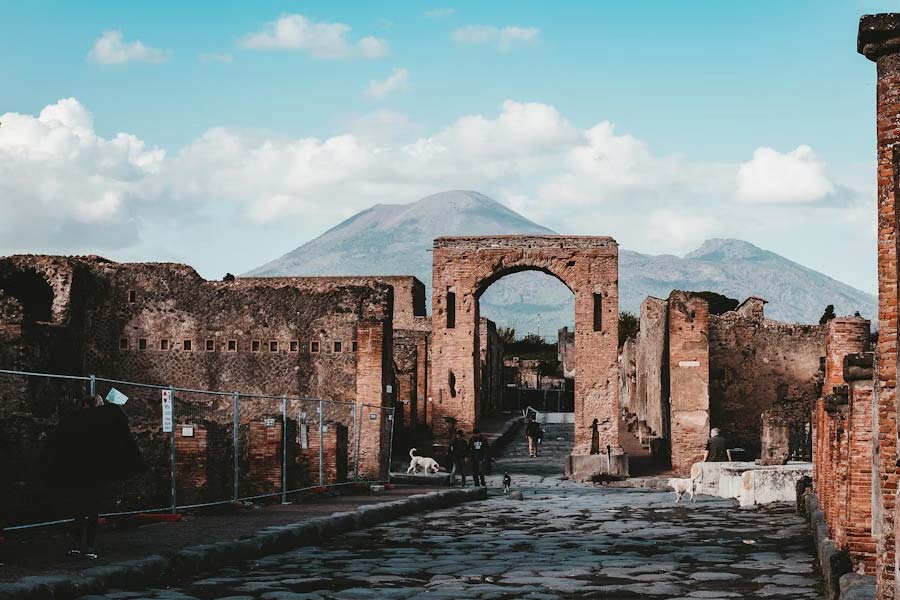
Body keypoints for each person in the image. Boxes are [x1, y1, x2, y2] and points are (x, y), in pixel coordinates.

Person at [42, 394, 144, 559]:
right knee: (92, 511)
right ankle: (89, 546)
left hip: (78, 474)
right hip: (96, 475)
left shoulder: (74, 421)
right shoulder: (103, 424)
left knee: (78, 511)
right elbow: (119, 418)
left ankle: (77, 544)